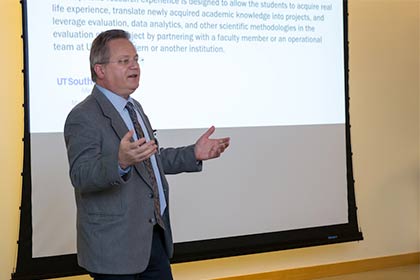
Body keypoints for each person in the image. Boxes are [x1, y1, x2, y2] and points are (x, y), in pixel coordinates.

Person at [64, 29, 230, 280]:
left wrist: (193, 153)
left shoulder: (134, 107)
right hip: (114, 249)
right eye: (124, 61)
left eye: (136, 59)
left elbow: (149, 160)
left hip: (152, 238)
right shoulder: (84, 116)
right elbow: (81, 175)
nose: (135, 66)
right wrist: (119, 161)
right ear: (100, 70)